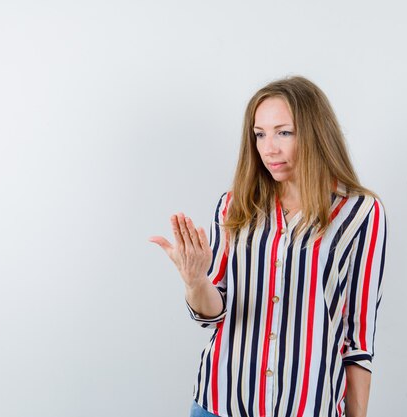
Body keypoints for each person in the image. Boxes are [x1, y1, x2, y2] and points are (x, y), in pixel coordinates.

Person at [149, 76, 387, 417]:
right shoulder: (234, 205)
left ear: (316, 132)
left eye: (283, 132)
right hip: (220, 403)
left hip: (308, 408)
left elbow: (357, 340)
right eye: (260, 134)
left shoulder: (361, 213)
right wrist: (195, 280)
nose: (268, 148)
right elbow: (214, 312)